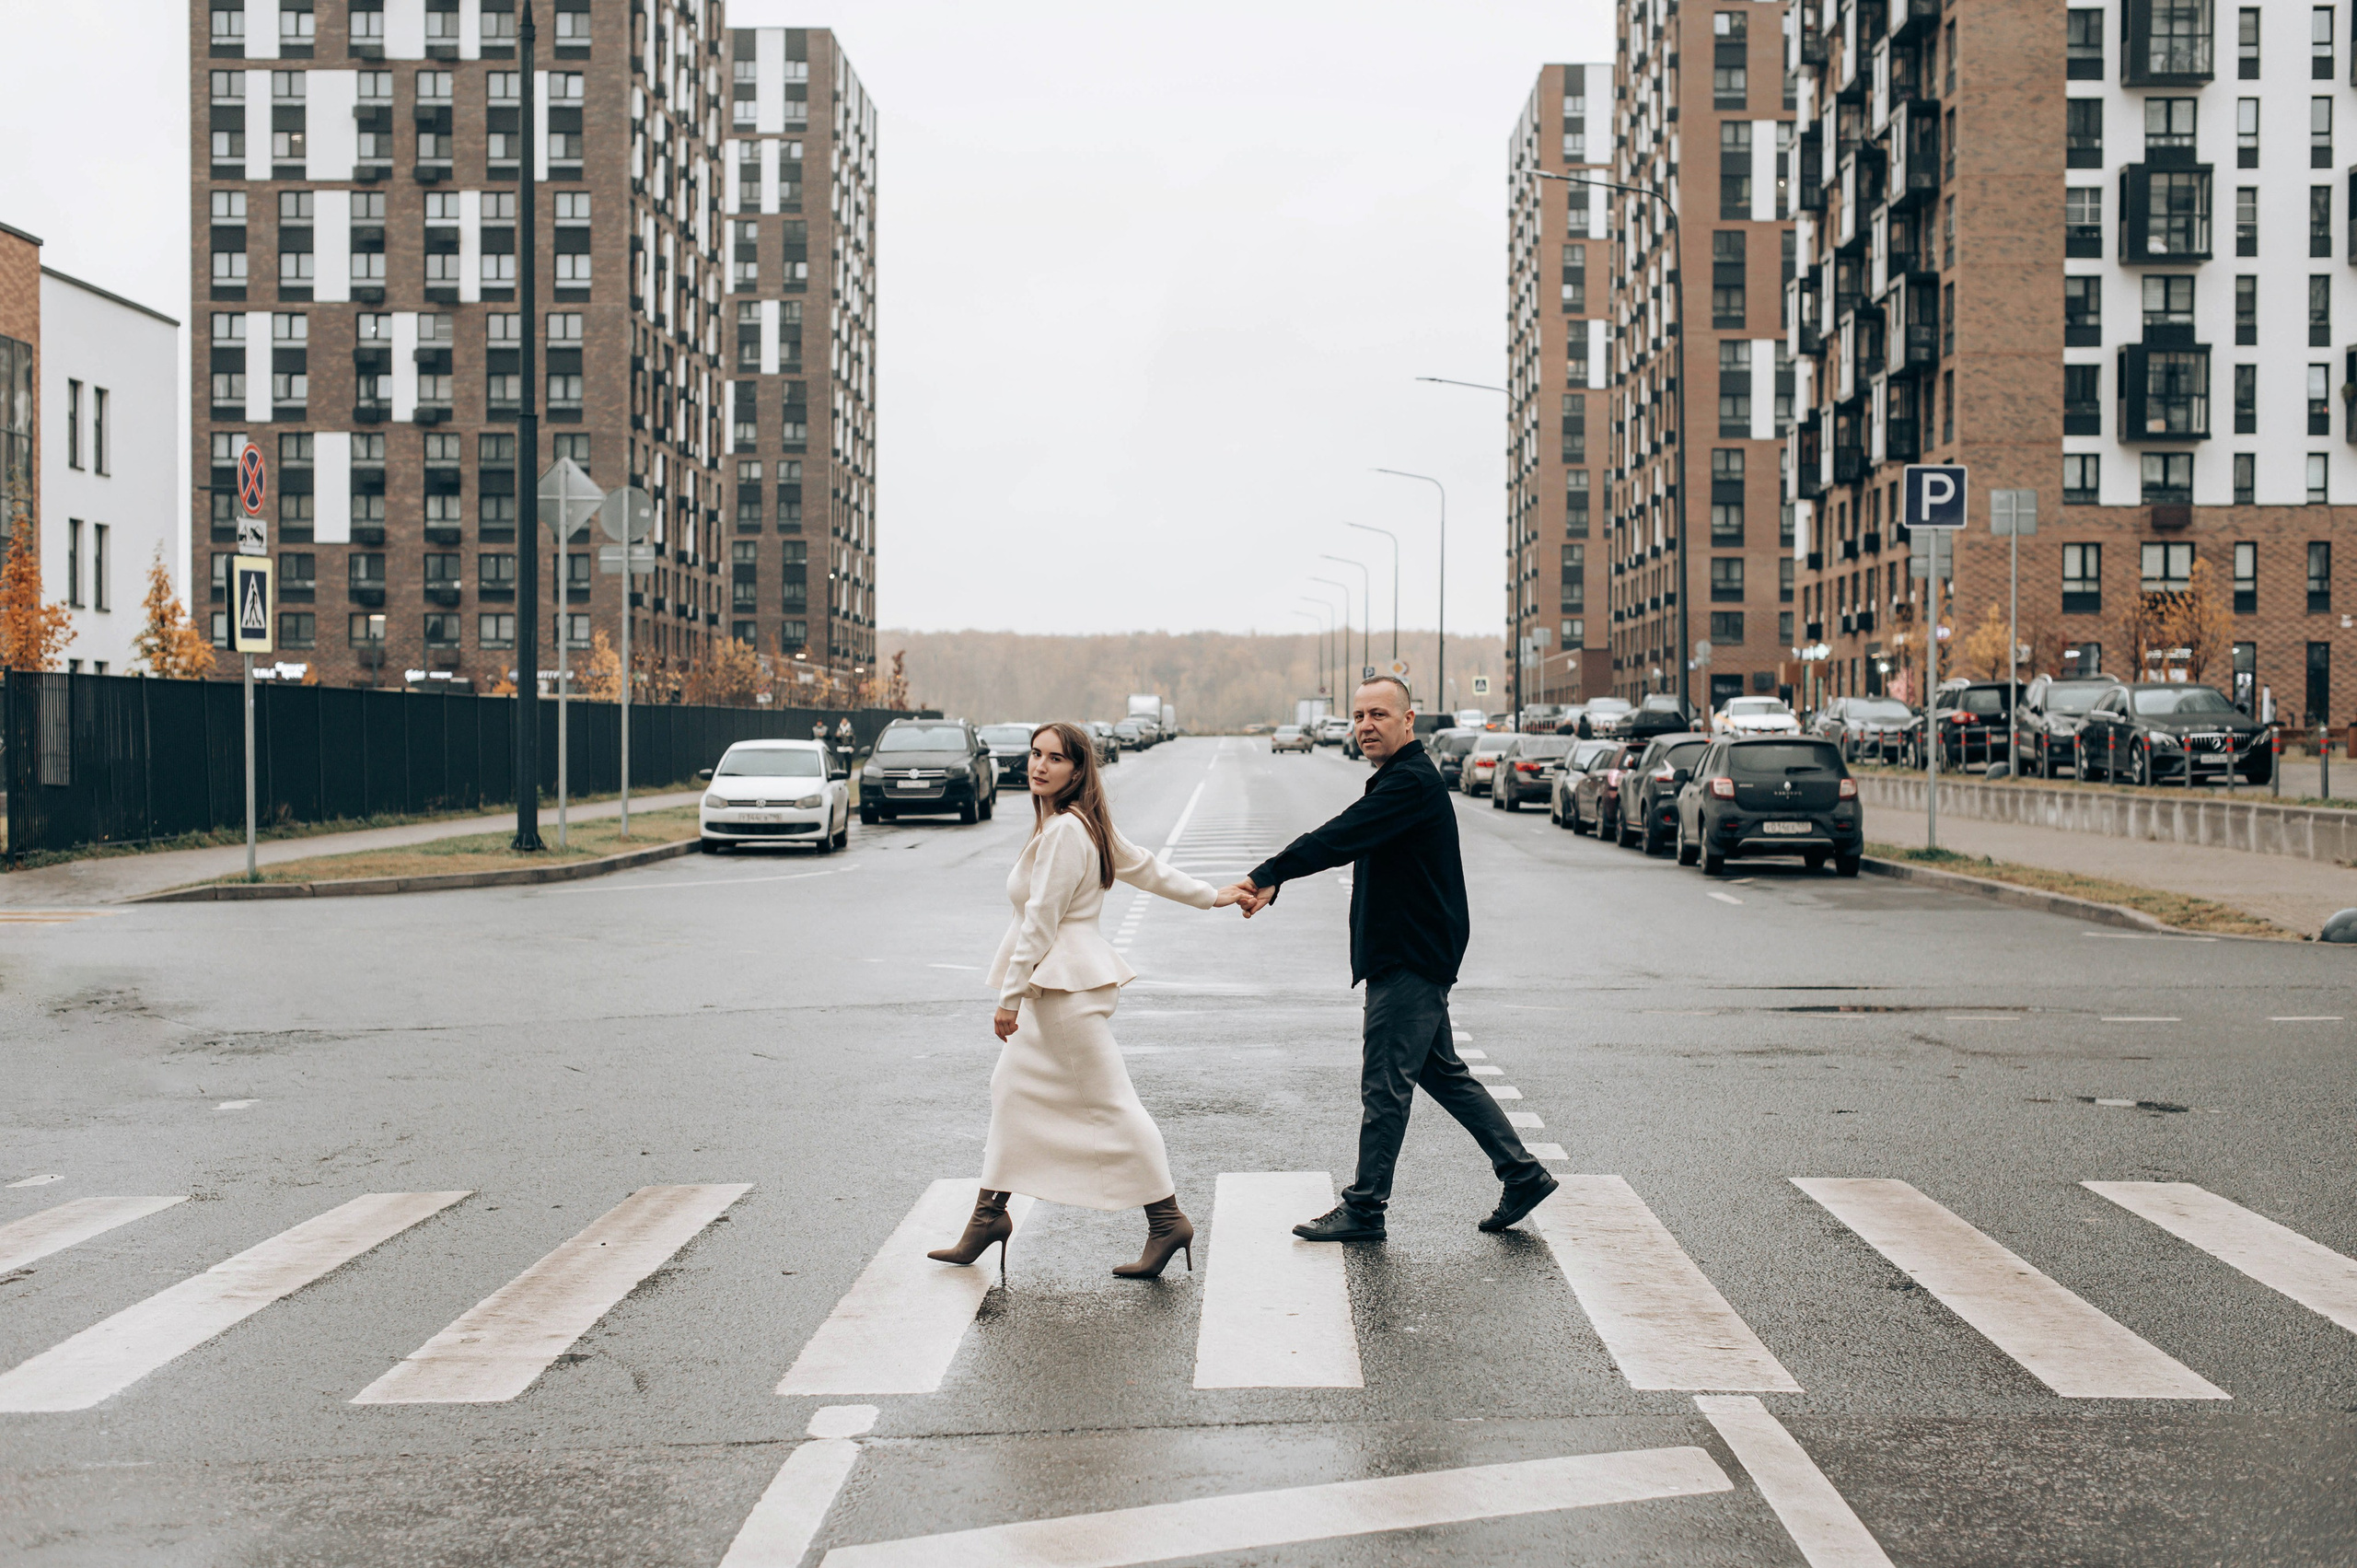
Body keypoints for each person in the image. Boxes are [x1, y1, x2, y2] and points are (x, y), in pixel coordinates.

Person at [1227, 678, 1557, 1242]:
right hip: (1413, 948)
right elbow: (1352, 839)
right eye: (1357, 715)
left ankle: (1365, 1207)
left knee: (1385, 1084)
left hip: (1408, 953)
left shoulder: (1410, 783)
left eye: (1378, 713)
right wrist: (1279, 878)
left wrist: (1268, 873)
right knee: (1442, 1073)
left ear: (1409, 720)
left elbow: (1339, 837)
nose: (1364, 725)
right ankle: (1521, 1172)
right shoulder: (1401, 781)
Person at [929, 721, 1249, 1279]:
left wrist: (1009, 997)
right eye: (1034, 755)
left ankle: (1167, 1220)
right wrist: (1211, 896)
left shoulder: (1065, 832)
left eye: (1054, 758)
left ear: (1078, 770)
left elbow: (1040, 922)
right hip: (1061, 983)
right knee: (1010, 1089)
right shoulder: (1079, 823)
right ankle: (988, 1217)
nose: (1039, 766)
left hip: (1063, 987)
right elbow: (1146, 868)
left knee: (1110, 1103)